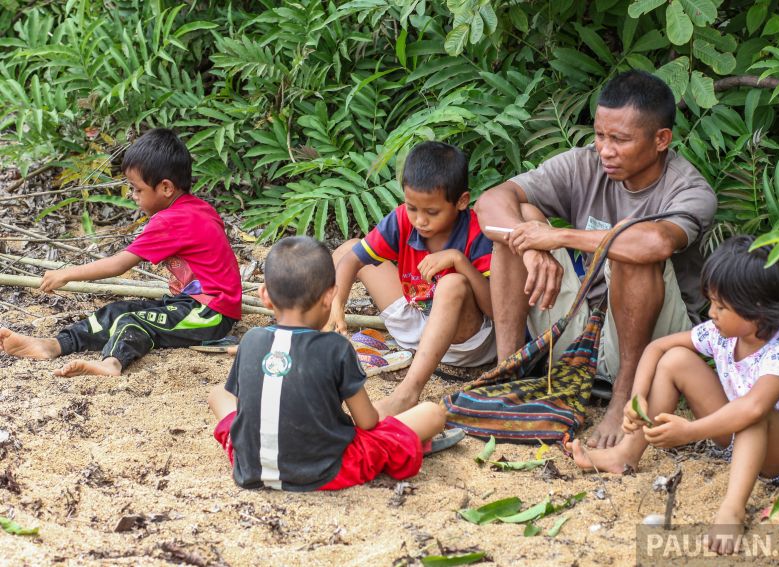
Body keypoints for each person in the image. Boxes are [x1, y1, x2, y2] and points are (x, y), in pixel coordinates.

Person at [474, 70, 717, 448]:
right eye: (600, 135)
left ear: (661, 140)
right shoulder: (585, 163)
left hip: (657, 342)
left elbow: (654, 244)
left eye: (619, 139)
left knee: (628, 245)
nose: (605, 149)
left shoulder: (689, 188)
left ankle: (623, 398)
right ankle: (509, 375)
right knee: (518, 221)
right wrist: (533, 248)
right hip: (585, 325)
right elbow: (491, 201)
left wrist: (558, 236)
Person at [568, 235, 779, 554]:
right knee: (675, 360)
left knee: (754, 411)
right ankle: (625, 454)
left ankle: (733, 509)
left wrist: (690, 432)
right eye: (711, 302)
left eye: (721, 307)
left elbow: (753, 409)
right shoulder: (722, 334)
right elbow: (657, 347)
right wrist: (636, 396)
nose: (711, 312)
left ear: (758, 311)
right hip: (735, 437)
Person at [208, 237, 461, 491]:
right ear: (330, 296)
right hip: (328, 468)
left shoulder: (251, 340)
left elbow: (248, 407)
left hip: (250, 463)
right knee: (432, 413)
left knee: (218, 393)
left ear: (264, 295)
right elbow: (367, 423)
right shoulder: (336, 348)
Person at [0, 128, 242, 376]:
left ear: (166, 188)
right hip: (190, 305)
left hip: (210, 313)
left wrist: (67, 274)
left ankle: (112, 363)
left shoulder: (172, 221)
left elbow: (119, 265)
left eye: (137, 189)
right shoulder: (197, 208)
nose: (134, 197)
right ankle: (56, 344)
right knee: (117, 311)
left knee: (132, 321)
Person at [327, 141, 495, 418]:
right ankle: (318, 333)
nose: (419, 220)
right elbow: (351, 262)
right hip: (416, 324)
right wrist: (338, 307)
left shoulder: (476, 232)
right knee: (349, 249)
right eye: (412, 207)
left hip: (465, 343)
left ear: (462, 202)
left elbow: (493, 309)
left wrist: (459, 261)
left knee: (452, 284)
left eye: (432, 212)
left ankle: (407, 393)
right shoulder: (404, 219)